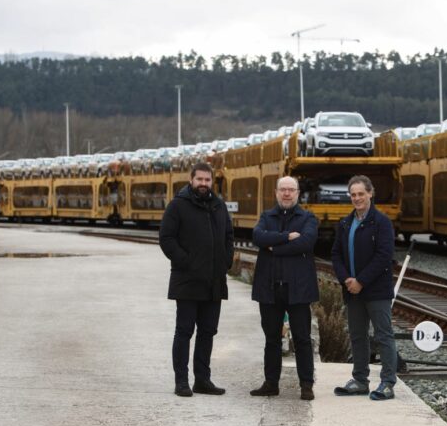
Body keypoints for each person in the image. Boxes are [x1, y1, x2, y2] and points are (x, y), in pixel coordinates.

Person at [159, 162, 234, 397]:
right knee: (184, 331)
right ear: (191, 180)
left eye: (207, 180)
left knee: (208, 332)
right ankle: (181, 381)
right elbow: (166, 238)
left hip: (214, 281)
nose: (203, 184)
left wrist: (226, 262)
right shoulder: (178, 206)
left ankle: (202, 379)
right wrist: (187, 262)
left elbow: (228, 236)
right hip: (188, 280)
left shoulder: (219, 206)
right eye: (199, 179)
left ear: (212, 181)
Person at [250, 176, 319, 400]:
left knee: (302, 338)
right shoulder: (266, 216)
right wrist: (286, 238)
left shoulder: (308, 218)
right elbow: (257, 236)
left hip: (298, 289)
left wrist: (274, 247)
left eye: (291, 190)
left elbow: (307, 242)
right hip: (269, 288)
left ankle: (306, 385)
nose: (287, 193)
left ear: (298, 193)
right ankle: (271, 383)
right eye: (283, 190)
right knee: (271, 339)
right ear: (276, 193)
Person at [331, 175, 397, 401]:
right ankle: (360, 380)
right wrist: (346, 279)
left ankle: (388, 382)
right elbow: (336, 254)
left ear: (370, 193)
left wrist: (361, 281)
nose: (357, 198)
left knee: (383, 335)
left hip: (376, 290)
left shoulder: (382, 223)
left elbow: (383, 256)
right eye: (353, 195)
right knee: (358, 336)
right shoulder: (345, 223)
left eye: (361, 194)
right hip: (352, 290)